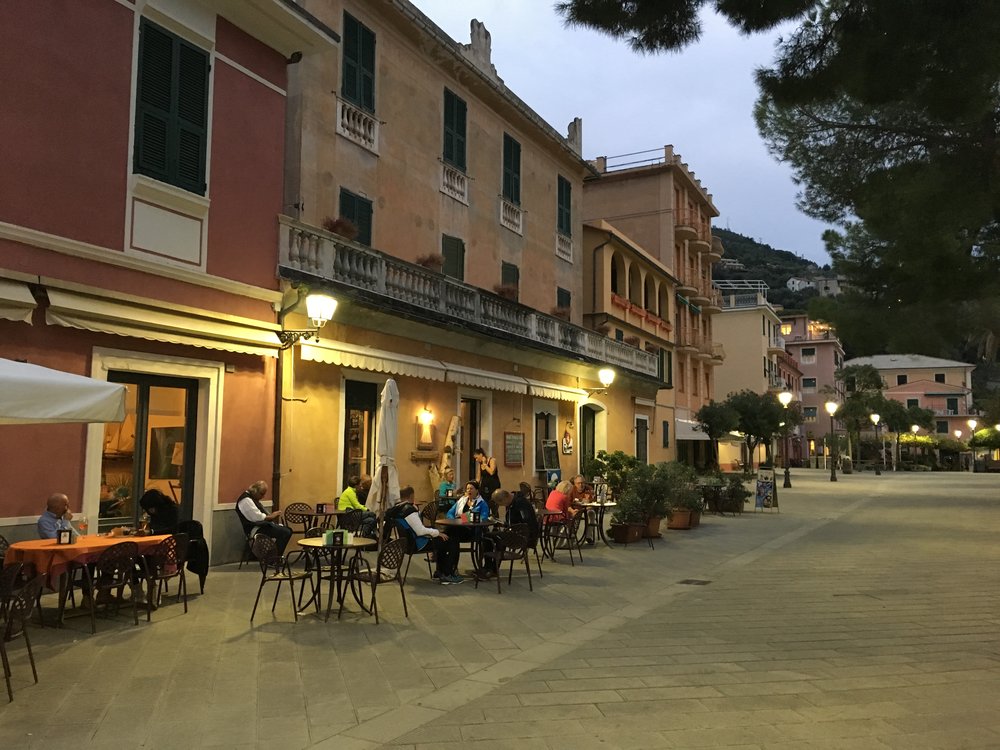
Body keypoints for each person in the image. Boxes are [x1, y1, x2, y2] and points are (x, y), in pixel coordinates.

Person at [385, 486, 462, 584]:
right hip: (419, 543)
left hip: (407, 543)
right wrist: (437, 533)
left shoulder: (397, 509)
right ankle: (447, 574)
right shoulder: (408, 510)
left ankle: (440, 572)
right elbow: (420, 531)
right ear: (411, 496)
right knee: (451, 541)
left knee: (442, 540)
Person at [235, 480, 292, 555]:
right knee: (285, 532)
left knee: (288, 530)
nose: (263, 497)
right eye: (262, 494)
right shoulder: (246, 500)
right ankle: (273, 558)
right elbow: (257, 517)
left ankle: (272, 556)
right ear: (255, 491)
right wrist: (272, 516)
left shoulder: (252, 498)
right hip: (254, 529)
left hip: (260, 526)